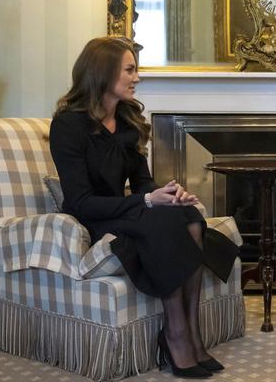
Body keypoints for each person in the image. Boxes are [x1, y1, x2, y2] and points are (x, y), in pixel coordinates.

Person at [49, 37, 238, 379]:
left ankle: (192, 332)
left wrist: (167, 193)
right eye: (130, 70)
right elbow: (79, 201)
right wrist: (148, 201)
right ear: (103, 73)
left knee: (190, 216)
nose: (136, 78)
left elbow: (142, 183)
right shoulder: (68, 125)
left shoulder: (128, 119)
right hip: (97, 216)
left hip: (127, 210)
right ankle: (175, 334)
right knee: (163, 225)